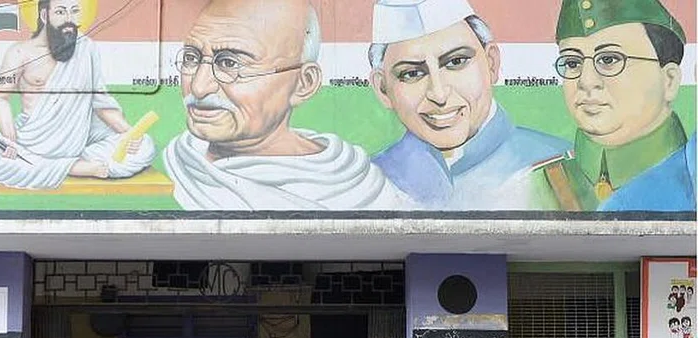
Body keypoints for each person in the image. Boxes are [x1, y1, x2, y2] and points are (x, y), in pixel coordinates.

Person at [163, 0, 409, 211]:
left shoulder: (357, 187)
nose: (199, 87)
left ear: (304, 83)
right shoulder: (178, 162)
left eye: (229, 63)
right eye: (191, 58)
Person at [368, 0, 569, 210]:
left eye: (456, 62)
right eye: (412, 73)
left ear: (491, 63)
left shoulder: (558, 166)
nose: (439, 94)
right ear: (383, 89)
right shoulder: (367, 183)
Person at [0, 0, 155, 189]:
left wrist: (130, 133)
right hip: (35, 140)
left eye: (74, 11)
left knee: (145, 146)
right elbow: (0, 98)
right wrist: (11, 142)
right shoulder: (20, 52)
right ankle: (75, 167)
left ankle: (56, 165)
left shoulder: (86, 48)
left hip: (78, 137)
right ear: (44, 16)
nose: (69, 19)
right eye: (60, 12)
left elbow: (101, 103)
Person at [529, 0, 691, 211]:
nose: (586, 81)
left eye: (609, 59)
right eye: (572, 63)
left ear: (669, 81)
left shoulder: (690, 177)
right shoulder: (535, 188)